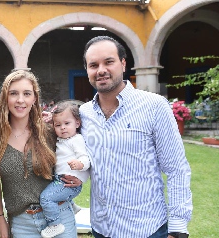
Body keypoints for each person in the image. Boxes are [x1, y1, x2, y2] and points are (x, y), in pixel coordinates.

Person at [80, 35, 192, 238]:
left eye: (109, 61)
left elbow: (176, 168)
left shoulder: (154, 106)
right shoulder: (83, 114)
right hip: (102, 229)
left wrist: (178, 228)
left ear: (123, 64)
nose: (101, 70)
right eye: (93, 65)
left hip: (146, 229)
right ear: (87, 70)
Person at [0, 70, 80, 238]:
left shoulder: (50, 132)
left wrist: (79, 174)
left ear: (34, 98)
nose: (20, 100)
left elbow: (81, 147)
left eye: (27, 94)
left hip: (59, 217)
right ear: (5, 97)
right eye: (14, 93)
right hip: (22, 224)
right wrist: (0, 219)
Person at [39, 100, 90, 238]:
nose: (62, 128)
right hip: (61, 180)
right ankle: (72, 206)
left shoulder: (76, 139)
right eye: (58, 125)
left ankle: (55, 224)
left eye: (67, 123)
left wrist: (79, 165)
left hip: (68, 183)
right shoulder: (63, 139)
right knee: (54, 190)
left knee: (46, 198)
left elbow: (85, 159)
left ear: (77, 123)